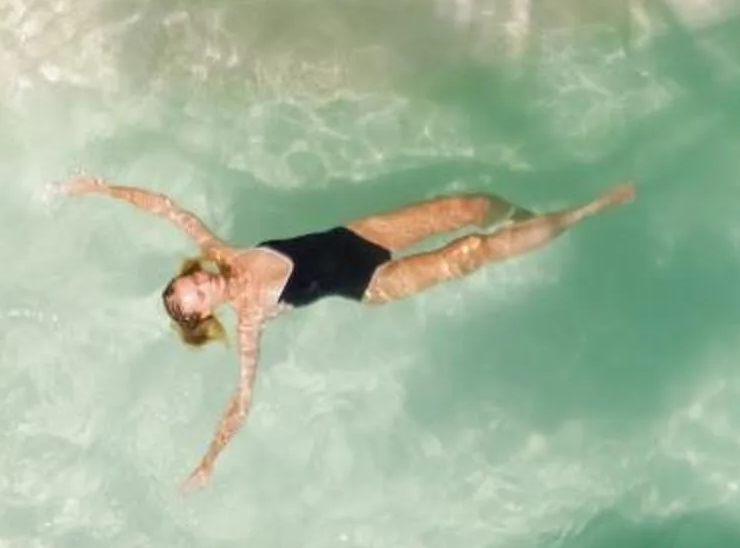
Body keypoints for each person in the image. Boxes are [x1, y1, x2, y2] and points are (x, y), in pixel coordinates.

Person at [59, 176, 636, 485]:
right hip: (373, 282)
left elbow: (163, 207)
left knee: (470, 205)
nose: (204, 288)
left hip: (358, 236)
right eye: (196, 300)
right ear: (205, 317)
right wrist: (210, 458)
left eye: (194, 284)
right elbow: (241, 400)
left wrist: (101, 189)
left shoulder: (220, 250)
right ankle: (584, 213)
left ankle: (526, 214)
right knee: (470, 252)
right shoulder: (252, 318)